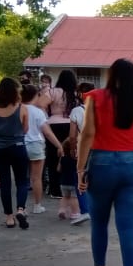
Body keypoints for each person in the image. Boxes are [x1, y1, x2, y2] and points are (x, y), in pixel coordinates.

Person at [77, 58, 133, 266]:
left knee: (99, 222)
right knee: (127, 225)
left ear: (110, 75)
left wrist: (80, 168)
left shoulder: (95, 97)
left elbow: (87, 134)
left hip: (102, 163)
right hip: (132, 164)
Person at [0, 78, 31, 229]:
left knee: (5, 182)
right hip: (17, 147)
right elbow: (25, 130)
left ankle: (9, 217)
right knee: (22, 181)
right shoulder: (21, 108)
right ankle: (21, 210)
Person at [21, 84, 64, 215]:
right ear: (36, 95)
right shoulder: (38, 112)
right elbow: (47, 132)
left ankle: (20, 207)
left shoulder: (17, 110)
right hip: (36, 145)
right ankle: (37, 205)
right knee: (36, 178)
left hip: (19, 145)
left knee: (21, 178)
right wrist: (59, 145)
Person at [39, 69, 79, 199]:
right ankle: (71, 187)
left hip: (54, 125)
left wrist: (48, 112)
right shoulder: (75, 93)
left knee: (53, 157)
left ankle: (55, 190)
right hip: (71, 125)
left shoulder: (53, 91)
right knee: (70, 155)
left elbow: (40, 104)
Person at [67, 81, 95, 224]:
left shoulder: (76, 111)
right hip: (99, 148)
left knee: (80, 178)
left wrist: (72, 148)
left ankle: (85, 210)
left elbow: (72, 135)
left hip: (82, 148)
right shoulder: (101, 109)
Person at [57, 137, 81, 222]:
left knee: (65, 197)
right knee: (74, 198)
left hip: (63, 182)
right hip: (73, 182)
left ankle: (62, 210)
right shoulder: (77, 159)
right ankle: (75, 213)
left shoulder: (62, 158)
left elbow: (58, 169)